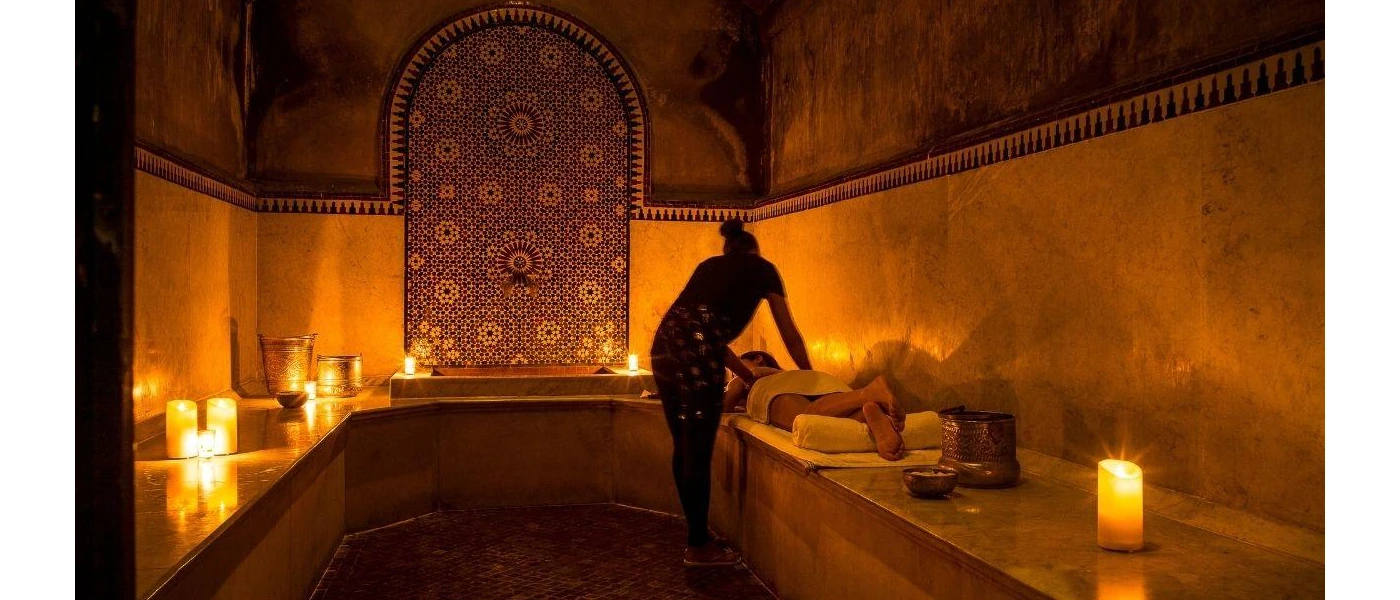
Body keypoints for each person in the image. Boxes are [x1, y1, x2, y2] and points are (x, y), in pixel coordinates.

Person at [650, 219, 812, 567]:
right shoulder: (763, 269)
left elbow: (699, 329)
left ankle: (695, 535)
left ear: (728, 250)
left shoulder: (709, 266)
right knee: (697, 452)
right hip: (697, 361)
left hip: (662, 352)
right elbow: (789, 332)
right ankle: (698, 546)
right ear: (754, 251)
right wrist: (810, 376)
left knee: (683, 446)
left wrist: (746, 374)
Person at [722, 351, 907, 461]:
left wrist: (733, 385)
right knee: (836, 416)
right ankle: (866, 409)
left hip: (774, 387)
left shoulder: (756, 375)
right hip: (820, 382)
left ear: (758, 358)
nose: (734, 373)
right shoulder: (795, 373)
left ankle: (869, 393)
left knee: (807, 416)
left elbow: (725, 403)